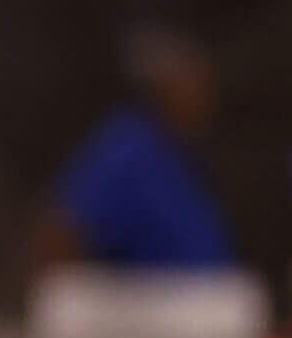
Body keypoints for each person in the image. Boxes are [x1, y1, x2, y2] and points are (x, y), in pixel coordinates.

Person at [38, 24, 235, 272]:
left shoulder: (182, 152)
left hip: (209, 301)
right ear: (163, 89)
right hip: (151, 304)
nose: (204, 98)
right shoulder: (129, 149)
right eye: (191, 84)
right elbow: (61, 231)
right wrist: (78, 303)